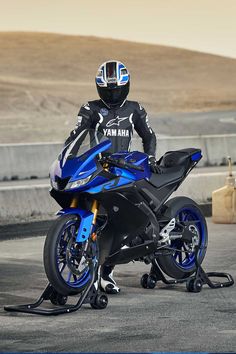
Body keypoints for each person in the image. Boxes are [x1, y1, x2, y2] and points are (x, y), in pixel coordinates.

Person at [64, 60, 158, 294]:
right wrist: (68, 155)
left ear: (126, 86)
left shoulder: (135, 109)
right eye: (108, 90)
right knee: (99, 220)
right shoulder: (90, 109)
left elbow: (149, 136)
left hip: (125, 169)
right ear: (99, 88)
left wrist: (151, 157)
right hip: (96, 169)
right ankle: (91, 271)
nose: (113, 94)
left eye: (117, 89)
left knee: (121, 220)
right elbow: (75, 136)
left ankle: (106, 273)